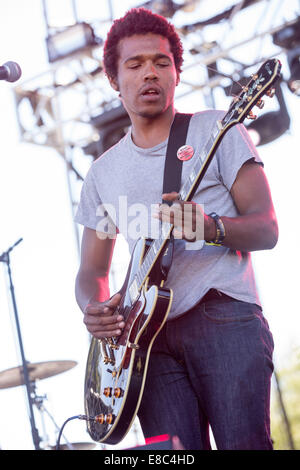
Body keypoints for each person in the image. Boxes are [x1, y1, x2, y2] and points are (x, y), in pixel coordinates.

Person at [75, 8, 278, 450]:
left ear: (176, 73)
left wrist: (210, 227)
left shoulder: (217, 129)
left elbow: (266, 229)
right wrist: (93, 307)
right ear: (114, 80)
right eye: (135, 64)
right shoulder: (102, 174)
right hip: (146, 346)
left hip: (222, 315)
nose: (150, 72)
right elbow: (92, 271)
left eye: (161, 62)